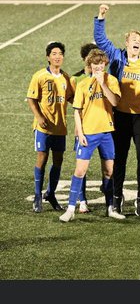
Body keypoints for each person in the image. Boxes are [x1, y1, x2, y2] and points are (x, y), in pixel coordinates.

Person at [93, 3, 140, 217]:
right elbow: (101, 41)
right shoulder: (117, 56)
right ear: (126, 43)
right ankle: (117, 199)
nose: (137, 42)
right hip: (121, 116)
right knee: (120, 157)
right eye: (133, 40)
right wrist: (100, 17)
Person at [59, 49, 124, 222]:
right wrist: (79, 133)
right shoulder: (82, 85)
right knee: (80, 171)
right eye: (95, 64)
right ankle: (71, 208)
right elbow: (77, 111)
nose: (98, 67)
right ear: (90, 65)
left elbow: (115, 102)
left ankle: (110, 208)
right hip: (88, 133)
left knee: (109, 171)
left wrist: (102, 84)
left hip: (106, 133)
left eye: (101, 64)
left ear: (105, 64)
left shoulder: (111, 81)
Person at [26, 41, 74, 212]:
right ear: (48, 57)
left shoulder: (66, 78)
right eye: (54, 53)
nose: (57, 56)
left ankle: (51, 193)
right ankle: (38, 196)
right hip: (44, 127)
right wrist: (39, 117)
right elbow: (31, 99)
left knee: (58, 160)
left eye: (60, 53)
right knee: (42, 158)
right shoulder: (39, 76)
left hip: (60, 127)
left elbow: (71, 98)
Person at [69, 42, 97, 213]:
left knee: (107, 164)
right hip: (83, 130)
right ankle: (82, 200)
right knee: (82, 168)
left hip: (102, 128)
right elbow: (74, 104)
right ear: (85, 60)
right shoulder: (76, 79)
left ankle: (111, 197)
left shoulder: (104, 76)